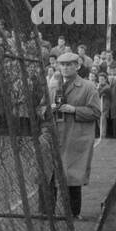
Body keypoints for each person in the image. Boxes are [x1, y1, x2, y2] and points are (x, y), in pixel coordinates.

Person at [46, 51, 100, 219]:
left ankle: (73, 213)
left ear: (77, 66)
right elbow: (40, 108)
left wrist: (74, 110)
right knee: (49, 174)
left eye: (69, 65)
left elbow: (96, 112)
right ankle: (48, 212)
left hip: (75, 137)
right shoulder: (51, 85)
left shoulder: (88, 86)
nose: (65, 68)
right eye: (62, 64)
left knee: (72, 177)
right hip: (53, 136)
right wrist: (49, 109)